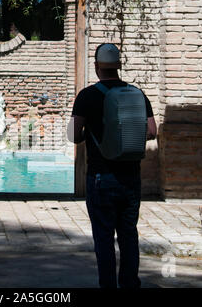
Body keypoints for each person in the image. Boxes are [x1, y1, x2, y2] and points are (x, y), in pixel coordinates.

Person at [67, 43, 157, 288]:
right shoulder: (137, 94)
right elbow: (151, 131)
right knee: (129, 235)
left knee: (104, 238)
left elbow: (73, 135)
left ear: (96, 67)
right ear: (119, 66)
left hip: (101, 178)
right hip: (131, 177)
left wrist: (90, 133)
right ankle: (130, 284)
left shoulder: (87, 95)